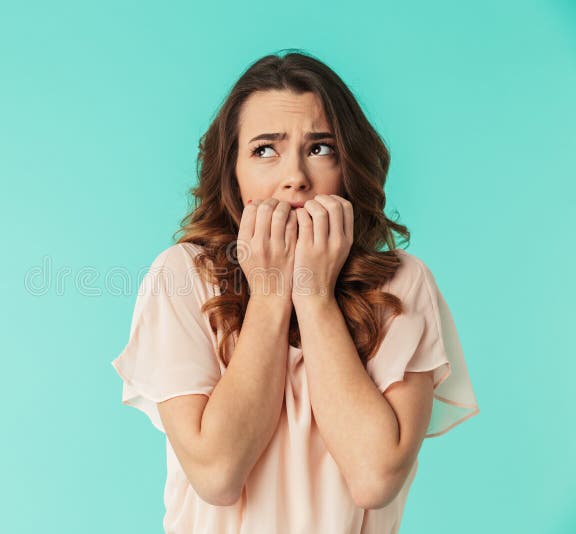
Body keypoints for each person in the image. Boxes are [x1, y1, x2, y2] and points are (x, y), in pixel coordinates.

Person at [110, 49, 479, 534]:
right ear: (232, 173)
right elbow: (217, 475)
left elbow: (374, 478)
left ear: (348, 166)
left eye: (320, 148)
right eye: (265, 149)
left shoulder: (403, 283)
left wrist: (314, 292)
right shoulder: (181, 277)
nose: (295, 179)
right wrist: (269, 292)